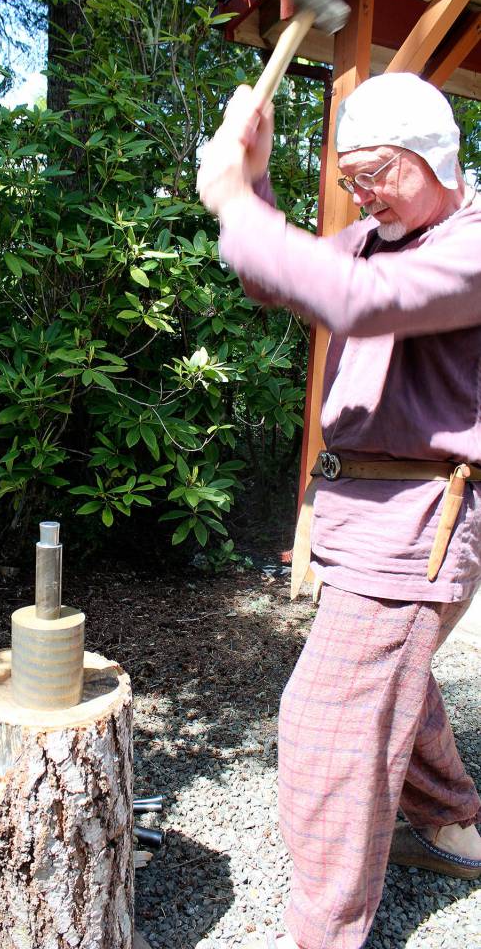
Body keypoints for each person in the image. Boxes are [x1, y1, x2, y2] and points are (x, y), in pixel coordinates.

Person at [197, 71, 481, 949]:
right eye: (347, 174)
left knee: (326, 729)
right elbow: (280, 280)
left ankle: (324, 935)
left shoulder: (469, 245)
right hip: (362, 510)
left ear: (435, 157)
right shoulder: (375, 236)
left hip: (421, 519)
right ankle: (451, 826)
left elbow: (354, 301)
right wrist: (253, 183)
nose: (358, 193)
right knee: (390, 679)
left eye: (376, 173)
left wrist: (233, 203)